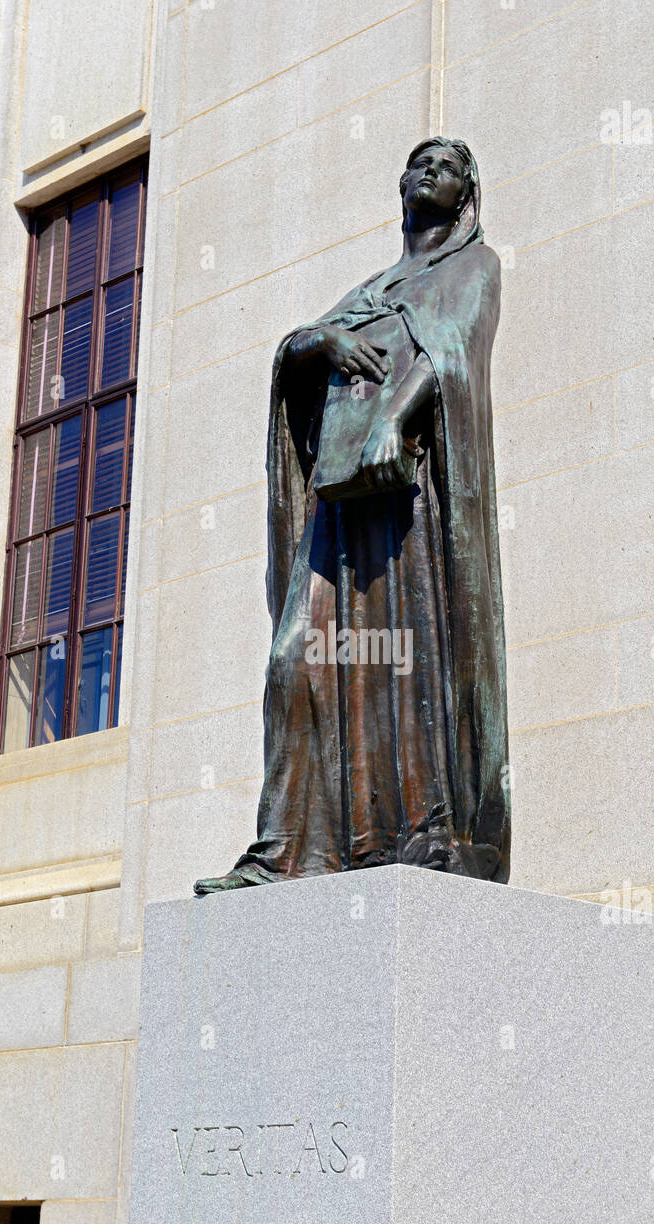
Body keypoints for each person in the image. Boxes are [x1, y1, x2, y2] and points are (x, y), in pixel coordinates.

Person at [194, 137, 511, 892]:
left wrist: (389, 423)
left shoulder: (475, 266)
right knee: (295, 660)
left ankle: (416, 835)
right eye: (417, 162)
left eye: (445, 167)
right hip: (340, 508)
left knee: (407, 664)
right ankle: (287, 848)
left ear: (465, 192)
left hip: (411, 512)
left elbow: (454, 355)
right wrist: (316, 340)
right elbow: (299, 362)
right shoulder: (368, 288)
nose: (427, 172)